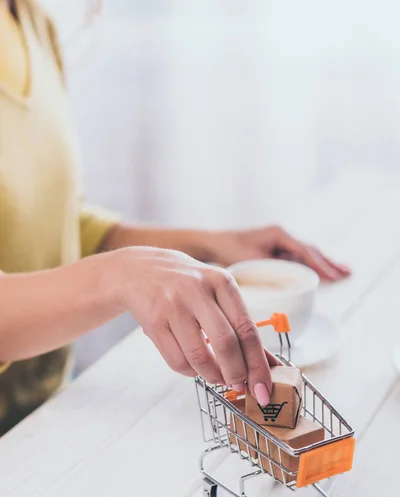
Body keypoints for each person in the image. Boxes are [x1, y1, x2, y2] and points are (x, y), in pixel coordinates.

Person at [0, 0, 350, 435]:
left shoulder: (33, 23)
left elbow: (54, 224)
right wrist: (120, 276)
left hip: (50, 413)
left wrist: (211, 245)